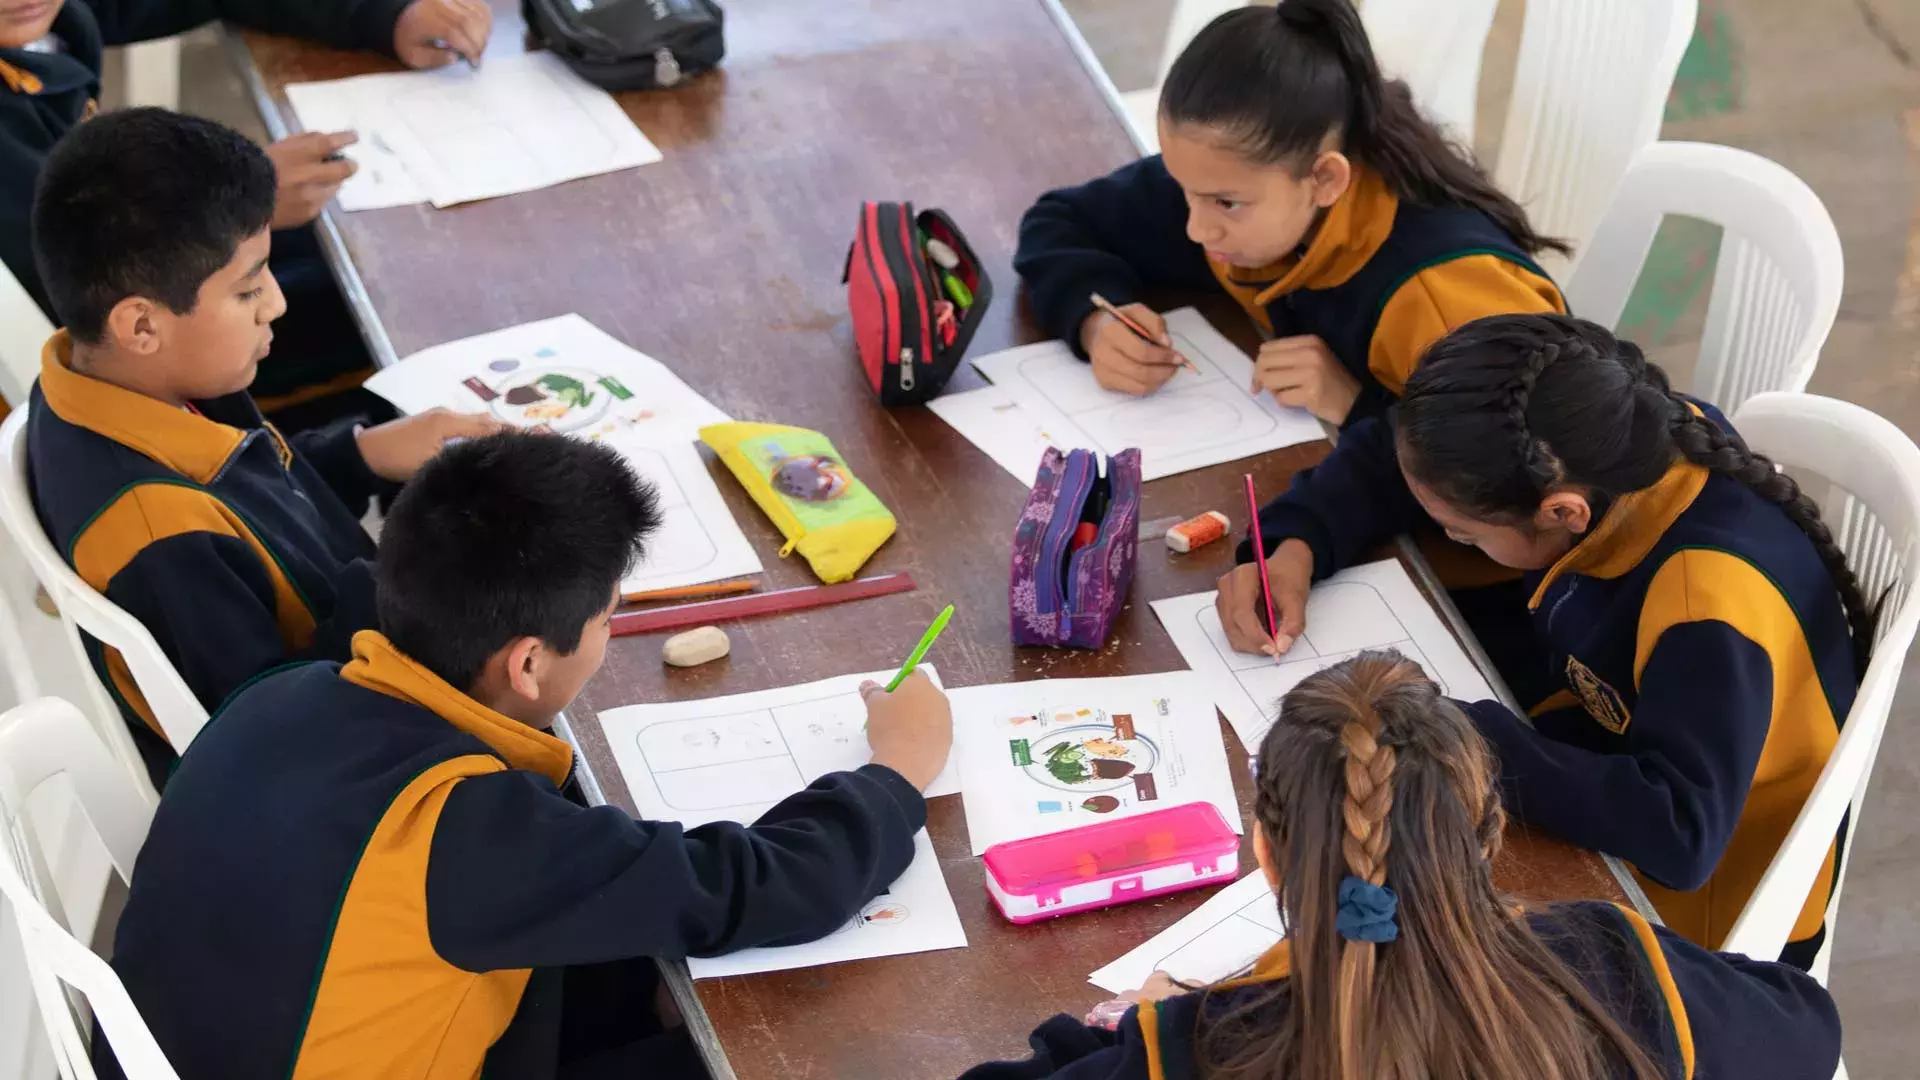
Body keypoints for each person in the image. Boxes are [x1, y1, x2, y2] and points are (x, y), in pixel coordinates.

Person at [100, 432, 956, 1079]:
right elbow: (757, 888)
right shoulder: (465, 830)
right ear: (528, 662)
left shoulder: (286, 690)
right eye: (605, 619)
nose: (609, 637)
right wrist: (896, 773)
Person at [1217, 314, 1869, 967]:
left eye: (1465, 535)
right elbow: (1407, 460)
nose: (1451, 539)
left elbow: (1680, 834)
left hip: (1710, 915)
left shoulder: (1706, 605)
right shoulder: (1610, 439)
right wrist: (1295, 541)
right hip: (1595, 746)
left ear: (1562, 513)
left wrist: (1471, 739)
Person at [962, 653, 1843, 1080]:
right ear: (1490, 834)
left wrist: (1129, 1033)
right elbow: (1806, 1026)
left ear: (1268, 857)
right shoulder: (1616, 970)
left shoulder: (1199, 1049)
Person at [27, 107, 495, 785]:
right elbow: (283, 742)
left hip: (366, 634)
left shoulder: (109, 376)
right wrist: (420, 564)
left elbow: (260, 499)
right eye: (248, 288)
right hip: (359, 756)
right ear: (141, 325)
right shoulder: (160, 539)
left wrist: (360, 453)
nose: (274, 302)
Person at [1013, 0, 1564, 424]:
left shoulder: (1441, 300)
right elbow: (1058, 221)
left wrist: (1356, 405)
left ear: (1325, 179)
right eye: (1184, 189)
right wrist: (1095, 321)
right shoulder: (1237, 178)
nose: (1196, 228)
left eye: (1225, 204)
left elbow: (1535, 481)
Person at [1, 0, 494, 428]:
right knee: (411, 297)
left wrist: (385, 13)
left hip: (165, 247)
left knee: (379, 247)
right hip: (136, 355)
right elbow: (66, 283)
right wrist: (231, 206)